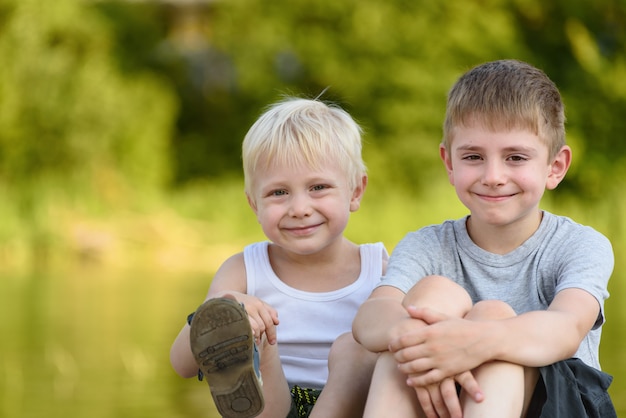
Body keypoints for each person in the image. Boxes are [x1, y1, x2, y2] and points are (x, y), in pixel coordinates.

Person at [352, 59, 615, 418]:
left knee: (492, 315)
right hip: (447, 399)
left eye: (516, 157)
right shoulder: (427, 245)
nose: (493, 176)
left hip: (559, 405)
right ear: (449, 163)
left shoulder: (580, 244)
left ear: (555, 167)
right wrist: (424, 343)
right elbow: (368, 320)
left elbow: (566, 328)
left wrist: (473, 341)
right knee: (428, 300)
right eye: (474, 156)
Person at [170, 96, 388, 418]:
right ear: (254, 204)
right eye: (278, 193)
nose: (299, 209)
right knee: (252, 332)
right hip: (273, 402)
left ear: (355, 191)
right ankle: (257, 348)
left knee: (359, 355)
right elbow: (181, 365)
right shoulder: (243, 270)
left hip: (353, 403)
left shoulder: (379, 270)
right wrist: (225, 306)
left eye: (318, 187)